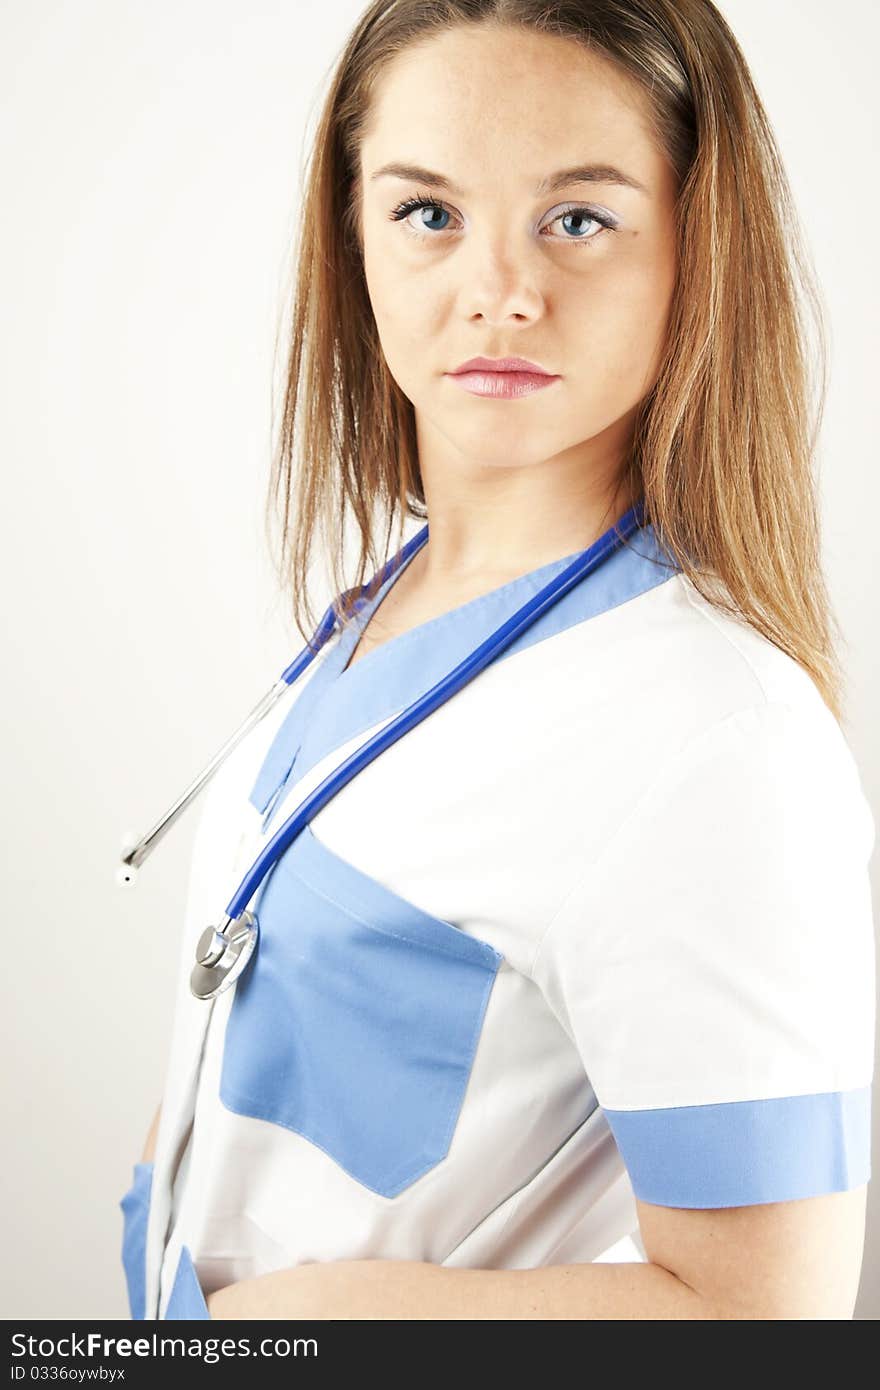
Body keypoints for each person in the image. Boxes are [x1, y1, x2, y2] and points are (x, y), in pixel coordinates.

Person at [118, 0, 875, 1321]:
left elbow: (762, 1314)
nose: (499, 290)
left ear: (697, 246)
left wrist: (276, 1329)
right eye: (428, 213)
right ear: (349, 231)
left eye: (578, 218)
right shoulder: (373, 607)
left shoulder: (714, 731)